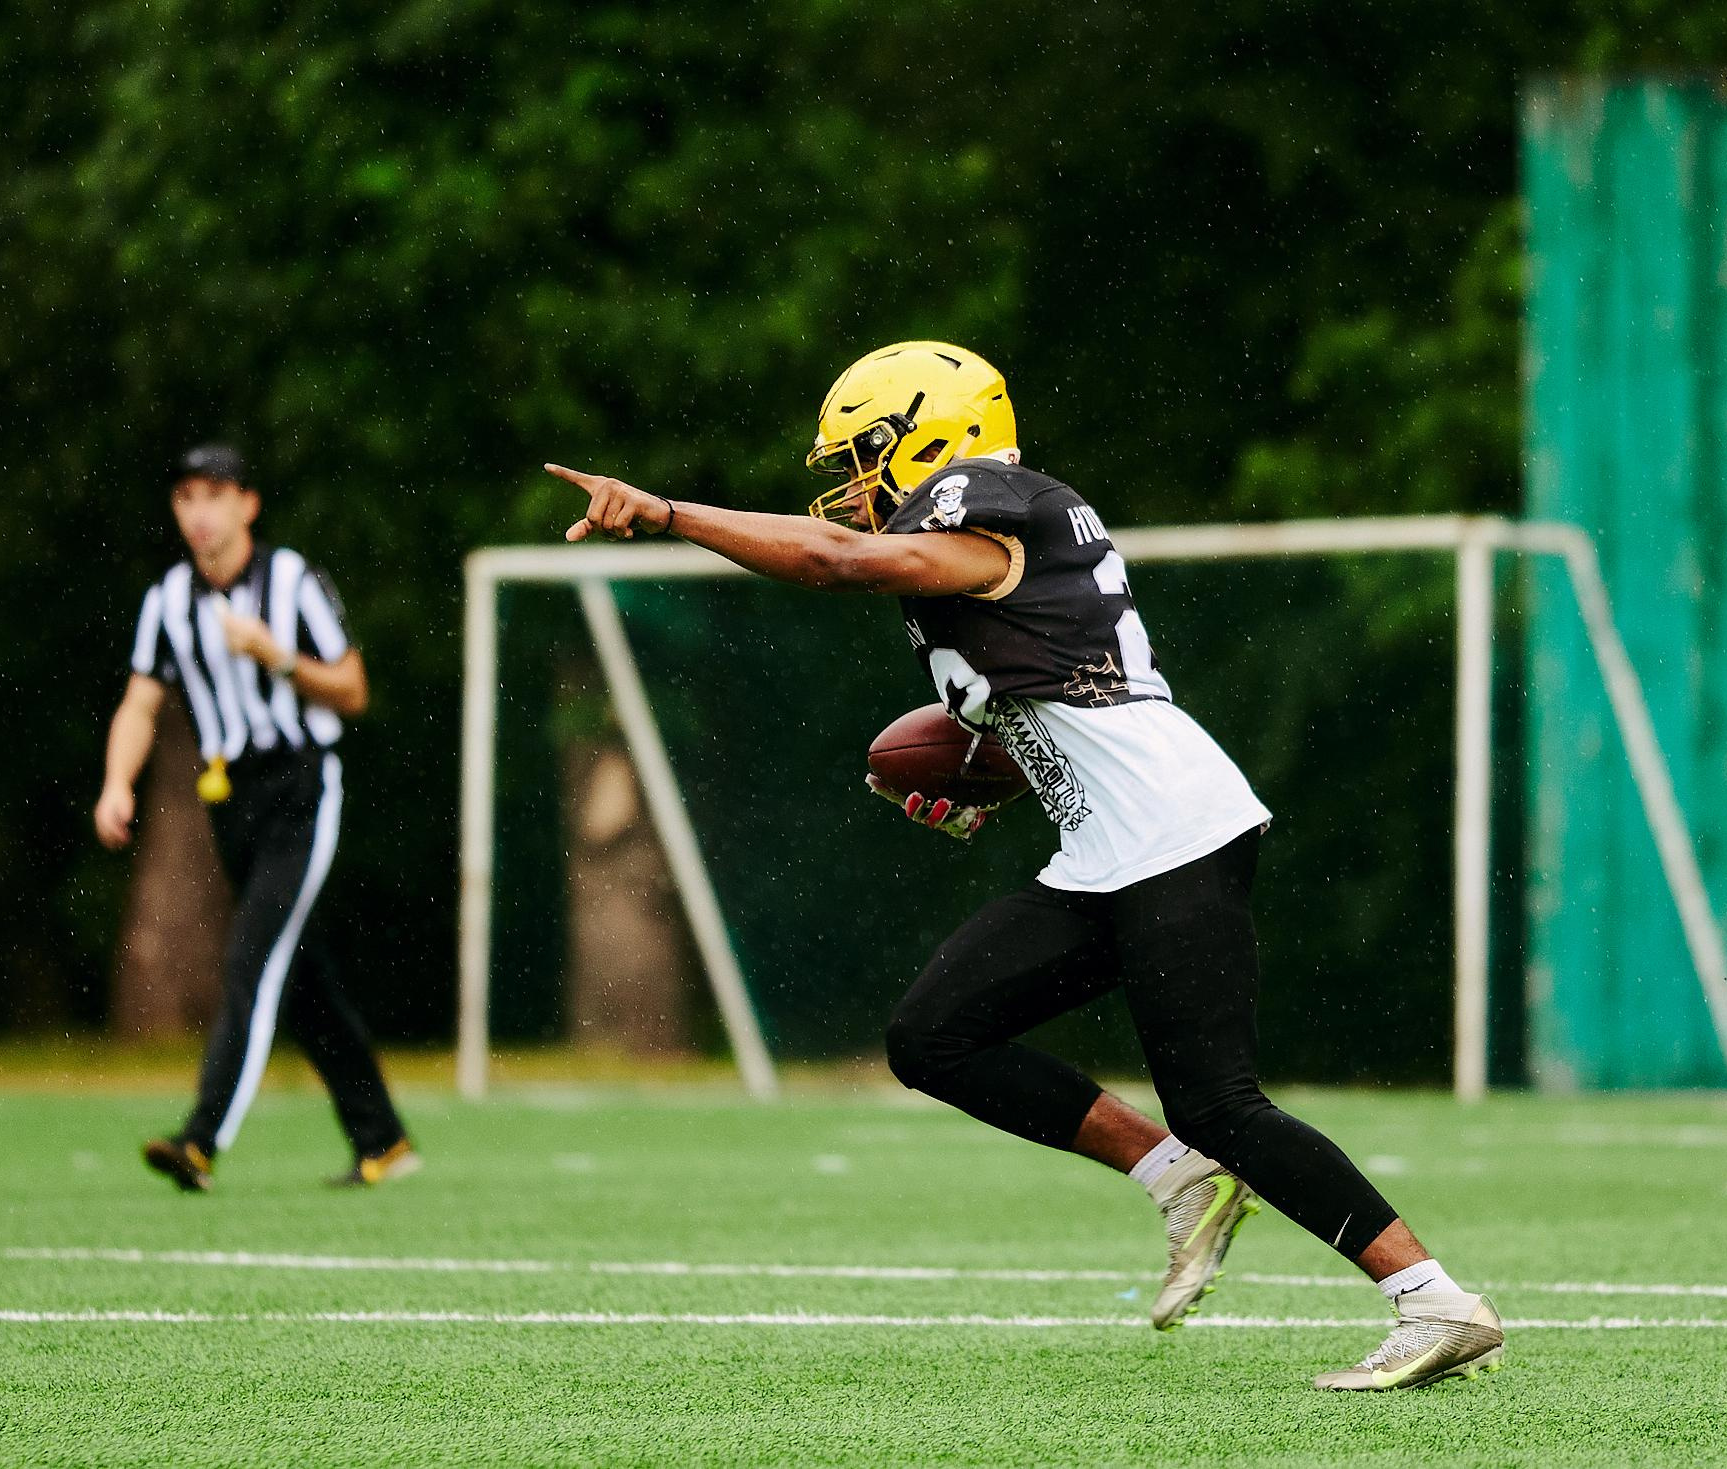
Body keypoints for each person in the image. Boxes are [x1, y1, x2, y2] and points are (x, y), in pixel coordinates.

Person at [545, 342, 1503, 1391]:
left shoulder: (989, 498)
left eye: (867, 454)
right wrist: (982, 770)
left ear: (931, 433)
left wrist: (671, 512)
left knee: (1223, 1099)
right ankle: (1177, 1175)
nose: (855, 484)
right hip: (1110, 843)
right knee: (933, 1034)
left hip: (1171, 827)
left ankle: (1434, 1299)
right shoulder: (979, 531)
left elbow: (834, 559)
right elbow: (1050, 705)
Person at [96, 443, 418, 1193]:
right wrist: (118, 783)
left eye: (212, 494)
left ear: (247, 503)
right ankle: (384, 1139)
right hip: (229, 801)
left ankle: (201, 1139)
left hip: (302, 788)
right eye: (184, 498)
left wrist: (279, 658)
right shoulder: (169, 599)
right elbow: (141, 702)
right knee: (300, 977)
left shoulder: (291, 580)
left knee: (250, 958)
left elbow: (353, 688)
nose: (198, 512)